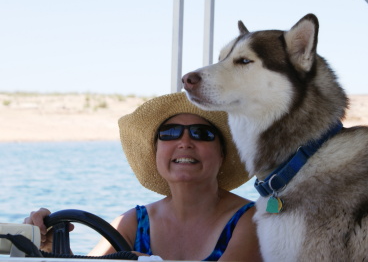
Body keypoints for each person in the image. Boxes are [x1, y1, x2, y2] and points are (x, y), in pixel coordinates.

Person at [25, 92, 262, 261]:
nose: (185, 142)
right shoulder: (134, 222)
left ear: (222, 154)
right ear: (156, 153)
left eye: (201, 133)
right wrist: (48, 246)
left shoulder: (253, 221)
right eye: (169, 133)